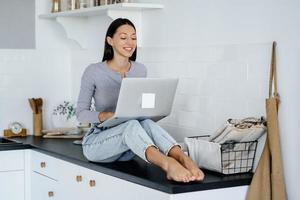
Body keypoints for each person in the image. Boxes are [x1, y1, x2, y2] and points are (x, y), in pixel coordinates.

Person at [76, 18, 204, 183]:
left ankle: (184, 159)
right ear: (110, 41)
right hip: (98, 143)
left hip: (130, 147)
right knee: (131, 125)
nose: (130, 42)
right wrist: (107, 115)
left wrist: (151, 111)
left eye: (134, 38)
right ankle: (168, 164)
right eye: (123, 37)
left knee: (146, 124)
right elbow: (81, 114)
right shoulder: (93, 71)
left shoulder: (140, 69)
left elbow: (140, 108)